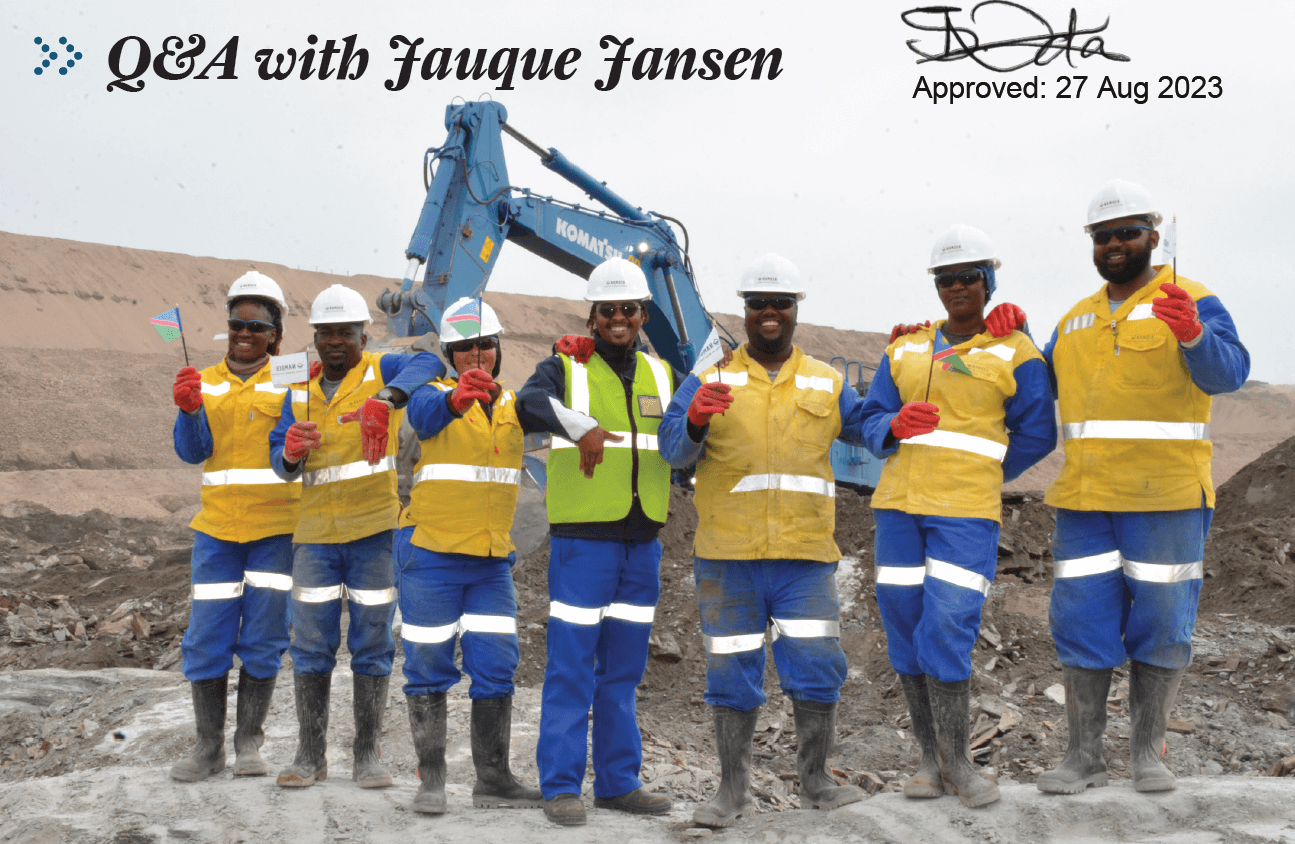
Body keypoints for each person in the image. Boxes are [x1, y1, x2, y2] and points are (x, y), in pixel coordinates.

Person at [1036, 181, 1249, 794]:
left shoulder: (1192, 298)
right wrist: (996, 336)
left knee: (1161, 620)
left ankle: (1147, 755)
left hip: (1166, 499)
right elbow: (1030, 386)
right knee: (1081, 622)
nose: (1114, 244)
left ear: (1153, 237)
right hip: (1085, 502)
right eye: (1102, 235)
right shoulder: (1075, 318)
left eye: (1127, 233)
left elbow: (1230, 373)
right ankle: (1083, 758)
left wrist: (1194, 336)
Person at [659, 253, 867, 828]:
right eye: (758, 304)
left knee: (818, 666)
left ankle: (817, 782)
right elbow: (672, 449)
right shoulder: (709, 378)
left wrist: (913, 355)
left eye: (780, 303)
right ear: (744, 312)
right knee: (731, 674)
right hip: (729, 557)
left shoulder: (827, 381)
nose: (769, 312)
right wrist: (694, 420)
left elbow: (876, 428)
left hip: (804, 558)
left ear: (796, 310)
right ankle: (732, 793)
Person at [861, 226, 1055, 808]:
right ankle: (931, 761)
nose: (957, 287)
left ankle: (960, 764)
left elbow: (1038, 431)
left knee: (947, 626)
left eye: (969, 277)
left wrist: (984, 471)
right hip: (899, 511)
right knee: (904, 630)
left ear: (988, 282)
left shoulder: (1017, 352)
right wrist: (890, 427)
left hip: (965, 515)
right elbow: (870, 419)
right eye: (947, 279)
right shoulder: (904, 349)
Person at [515, 257, 679, 827]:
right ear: (592, 316)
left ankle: (617, 782)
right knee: (571, 667)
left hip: (642, 540)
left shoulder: (662, 373)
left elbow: (685, 432)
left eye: (628, 309)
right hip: (584, 542)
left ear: (642, 315)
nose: (618, 318)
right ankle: (561, 786)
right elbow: (527, 404)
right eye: (608, 310)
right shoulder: (565, 366)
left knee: (623, 671)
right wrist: (577, 424)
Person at [267, 283, 445, 789]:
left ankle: (367, 754)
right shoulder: (298, 387)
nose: (334, 342)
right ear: (314, 338)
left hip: (374, 530)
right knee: (311, 644)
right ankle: (310, 755)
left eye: (345, 332)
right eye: (325, 333)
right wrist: (290, 453)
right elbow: (279, 459)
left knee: (372, 641)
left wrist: (387, 398)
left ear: (363, 336)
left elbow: (431, 362)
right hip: (315, 536)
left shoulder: (380, 369)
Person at [394, 297, 543, 813]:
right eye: (463, 348)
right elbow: (424, 416)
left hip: (490, 562)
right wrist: (457, 401)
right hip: (430, 556)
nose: (476, 355)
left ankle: (493, 781)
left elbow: (551, 412)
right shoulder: (430, 395)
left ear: (498, 349)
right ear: (448, 354)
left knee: (497, 665)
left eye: (484, 345)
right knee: (427, 666)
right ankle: (432, 781)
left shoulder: (514, 405)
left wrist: (572, 362)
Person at [169, 271, 300, 782]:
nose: (244, 333)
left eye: (256, 326)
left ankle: (249, 743)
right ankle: (209, 748)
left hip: (276, 531)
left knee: (265, 635)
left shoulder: (291, 379)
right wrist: (188, 412)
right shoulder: (202, 379)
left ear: (275, 334)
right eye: (236, 324)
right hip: (217, 532)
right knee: (207, 636)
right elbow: (193, 452)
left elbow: (291, 448)